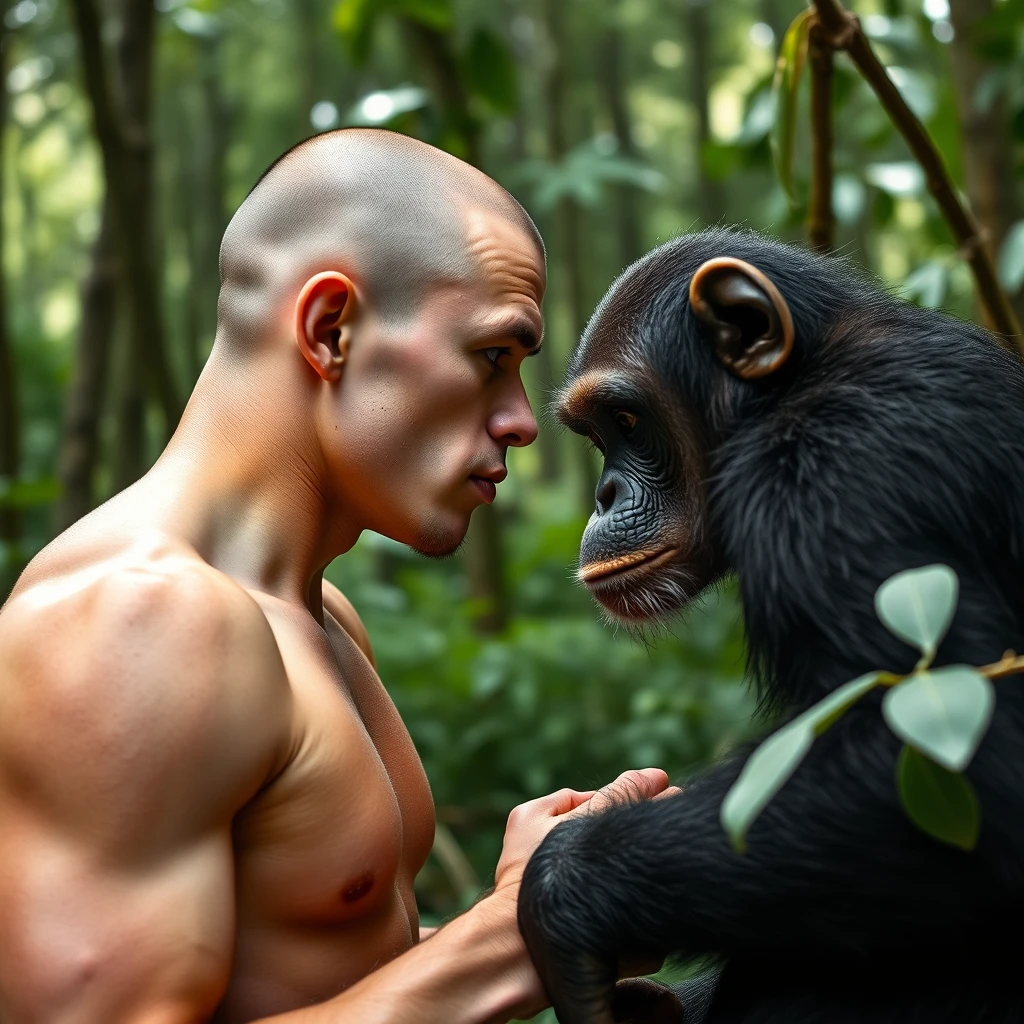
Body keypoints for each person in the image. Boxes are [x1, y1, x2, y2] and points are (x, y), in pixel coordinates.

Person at [0, 128, 672, 1024]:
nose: (521, 420)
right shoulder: (138, 621)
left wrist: (538, 918)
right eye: (492, 357)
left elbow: (322, 988)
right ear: (331, 330)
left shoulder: (319, 618)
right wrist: (520, 934)